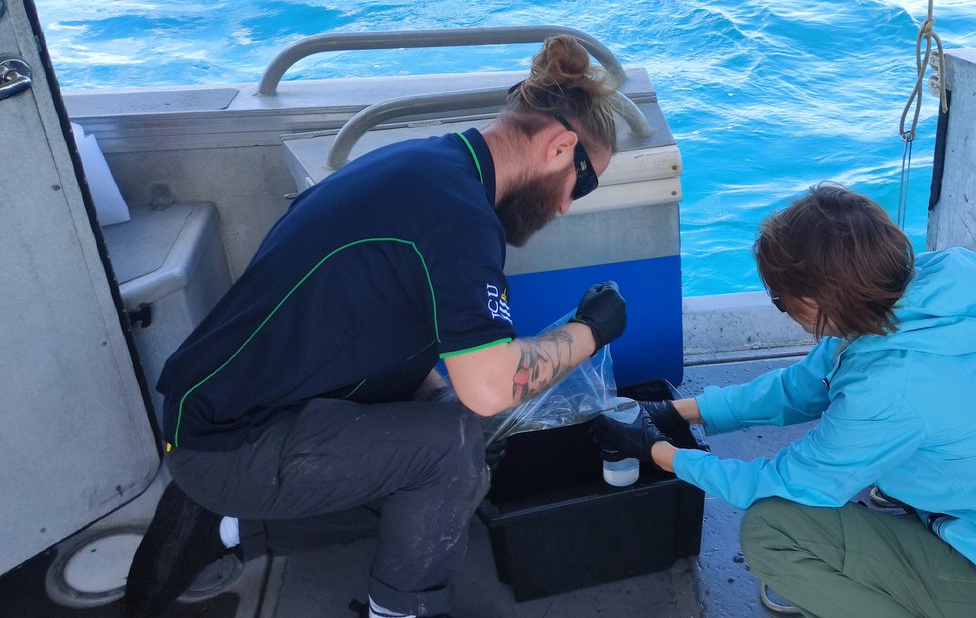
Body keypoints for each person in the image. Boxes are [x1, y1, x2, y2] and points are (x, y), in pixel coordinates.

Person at [125, 35, 627, 618]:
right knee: (455, 446)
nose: (568, 205)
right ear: (561, 147)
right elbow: (490, 388)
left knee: (470, 448)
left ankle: (229, 526)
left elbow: (376, 328)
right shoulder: (458, 221)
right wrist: (593, 330)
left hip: (233, 409)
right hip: (230, 443)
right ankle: (398, 610)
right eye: (583, 184)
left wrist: (456, 426)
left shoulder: (431, 168)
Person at [594, 183, 976, 617]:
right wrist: (676, 412)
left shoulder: (894, 387)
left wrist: (659, 452)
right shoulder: (912, 302)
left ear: (816, 302)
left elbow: (785, 485)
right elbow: (802, 388)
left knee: (773, 530)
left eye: (780, 299)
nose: (780, 308)